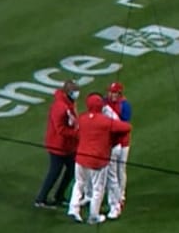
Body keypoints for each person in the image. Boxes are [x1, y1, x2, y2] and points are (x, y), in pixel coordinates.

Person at [68, 93, 131, 225]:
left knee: (79, 183)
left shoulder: (82, 118)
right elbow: (126, 127)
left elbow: (77, 132)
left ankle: (73, 209)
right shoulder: (105, 121)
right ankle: (94, 216)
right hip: (98, 159)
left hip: (81, 158)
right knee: (99, 188)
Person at [34, 80, 80, 209]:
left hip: (68, 145)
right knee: (54, 172)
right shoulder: (60, 107)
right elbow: (60, 129)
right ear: (68, 92)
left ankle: (59, 196)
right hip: (58, 146)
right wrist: (77, 134)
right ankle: (41, 199)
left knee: (72, 170)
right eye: (75, 91)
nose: (77, 94)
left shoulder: (69, 103)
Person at [103, 81, 134, 220]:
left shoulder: (125, 105)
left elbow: (124, 125)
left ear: (119, 93)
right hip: (110, 143)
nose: (111, 94)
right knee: (111, 171)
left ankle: (121, 196)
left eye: (114, 92)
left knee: (120, 169)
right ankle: (112, 195)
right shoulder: (105, 102)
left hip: (123, 142)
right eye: (110, 91)